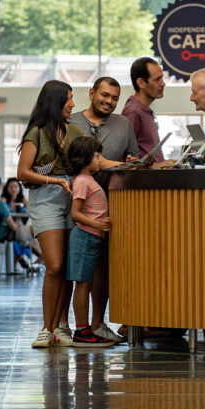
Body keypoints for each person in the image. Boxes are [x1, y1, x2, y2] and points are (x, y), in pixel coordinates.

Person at [16, 80, 124, 349]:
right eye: (68, 99)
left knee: (66, 266)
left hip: (73, 196)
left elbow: (95, 159)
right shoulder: (37, 133)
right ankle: (46, 328)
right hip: (48, 198)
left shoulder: (73, 131)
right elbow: (23, 172)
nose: (73, 104)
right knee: (53, 265)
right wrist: (55, 182)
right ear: (54, 102)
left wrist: (134, 164)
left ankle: (60, 327)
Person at [68, 77, 137, 344]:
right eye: (104, 95)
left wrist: (132, 161)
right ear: (92, 93)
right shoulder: (71, 122)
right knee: (78, 278)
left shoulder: (124, 124)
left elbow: (130, 158)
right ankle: (76, 328)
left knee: (102, 272)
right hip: (85, 221)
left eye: (114, 98)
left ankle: (96, 325)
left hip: (106, 214)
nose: (109, 101)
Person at [66, 136, 116, 347]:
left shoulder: (88, 180)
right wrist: (97, 225)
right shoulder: (82, 182)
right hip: (85, 237)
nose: (100, 160)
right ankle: (82, 330)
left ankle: (84, 328)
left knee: (87, 283)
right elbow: (75, 214)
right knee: (83, 284)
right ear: (85, 158)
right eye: (97, 156)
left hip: (92, 238)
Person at [0, 175, 32, 272]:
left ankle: (24, 259)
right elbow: (13, 227)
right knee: (32, 233)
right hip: (2, 234)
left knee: (24, 237)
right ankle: (40, 257)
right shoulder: (1, 205)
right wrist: (18, 223)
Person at [122, 57, 166, 161]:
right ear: (141, 83)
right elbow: (128, 161)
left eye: (162, 78)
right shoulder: (133, 112)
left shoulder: (145, 111)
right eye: (157, 80)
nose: (163, 83)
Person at [1, 177, 42, 263]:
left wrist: (26, 205)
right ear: (7, 188)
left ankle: (26, 259)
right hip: (9, 228)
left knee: (28, 237)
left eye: (16, 187)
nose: (13, 189)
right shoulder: (4, 199)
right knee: (26, 238)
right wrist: (9, 208)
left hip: (20, 227)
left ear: (19, 188)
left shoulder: (22, 199)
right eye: (11, 187)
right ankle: (41, 258)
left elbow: (30, 211)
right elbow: (2, 213)